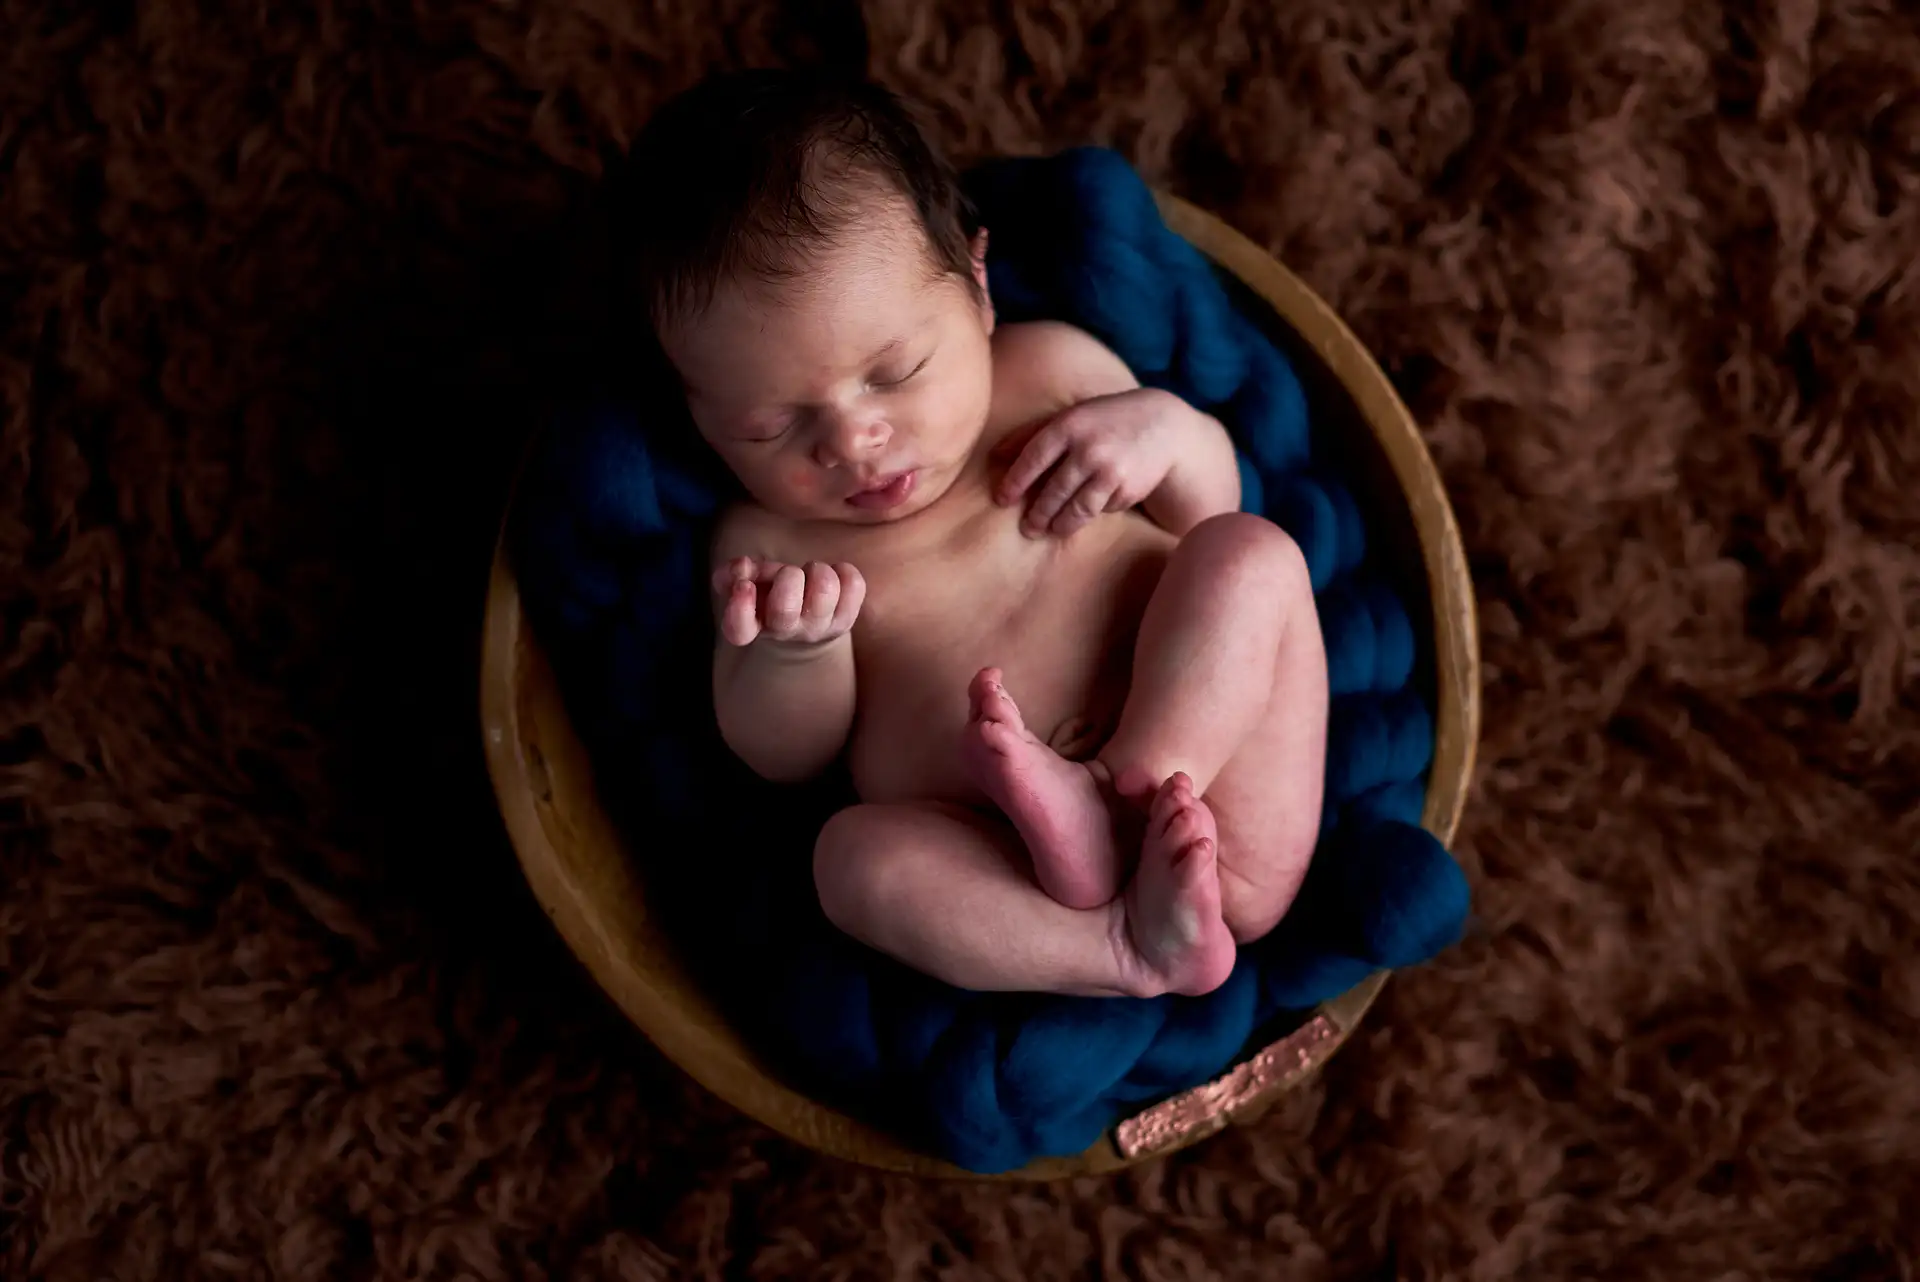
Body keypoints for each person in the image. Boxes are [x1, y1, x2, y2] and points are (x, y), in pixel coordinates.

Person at [620, 69, 1328, 999]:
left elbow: (1208, 513)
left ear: (979, 287)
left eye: (896, 371)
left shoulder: (1055, 371)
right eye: (772, 426)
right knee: (851, 862)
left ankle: (1135, 770)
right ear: (702, 422)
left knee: (1253, 555)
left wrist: (1169, 435)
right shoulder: (768, 548)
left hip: (1222, 803)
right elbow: (784, 761)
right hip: (1011, 867)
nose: (853, 441)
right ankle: (1122, 956)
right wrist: (797, 654)